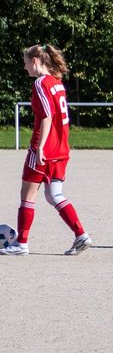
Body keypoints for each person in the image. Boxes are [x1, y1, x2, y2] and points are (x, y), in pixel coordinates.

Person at [3, 44, 92, 256]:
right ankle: (81, 235)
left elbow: (46, 116)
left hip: (43, 149)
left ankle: (21, 243)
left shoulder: (40, 83)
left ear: (35, 61)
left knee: (27, 196)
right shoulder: (57, 83)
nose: (25, 68)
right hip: (61, 149)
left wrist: (40, 147)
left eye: (25, 63)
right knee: (54, 195)